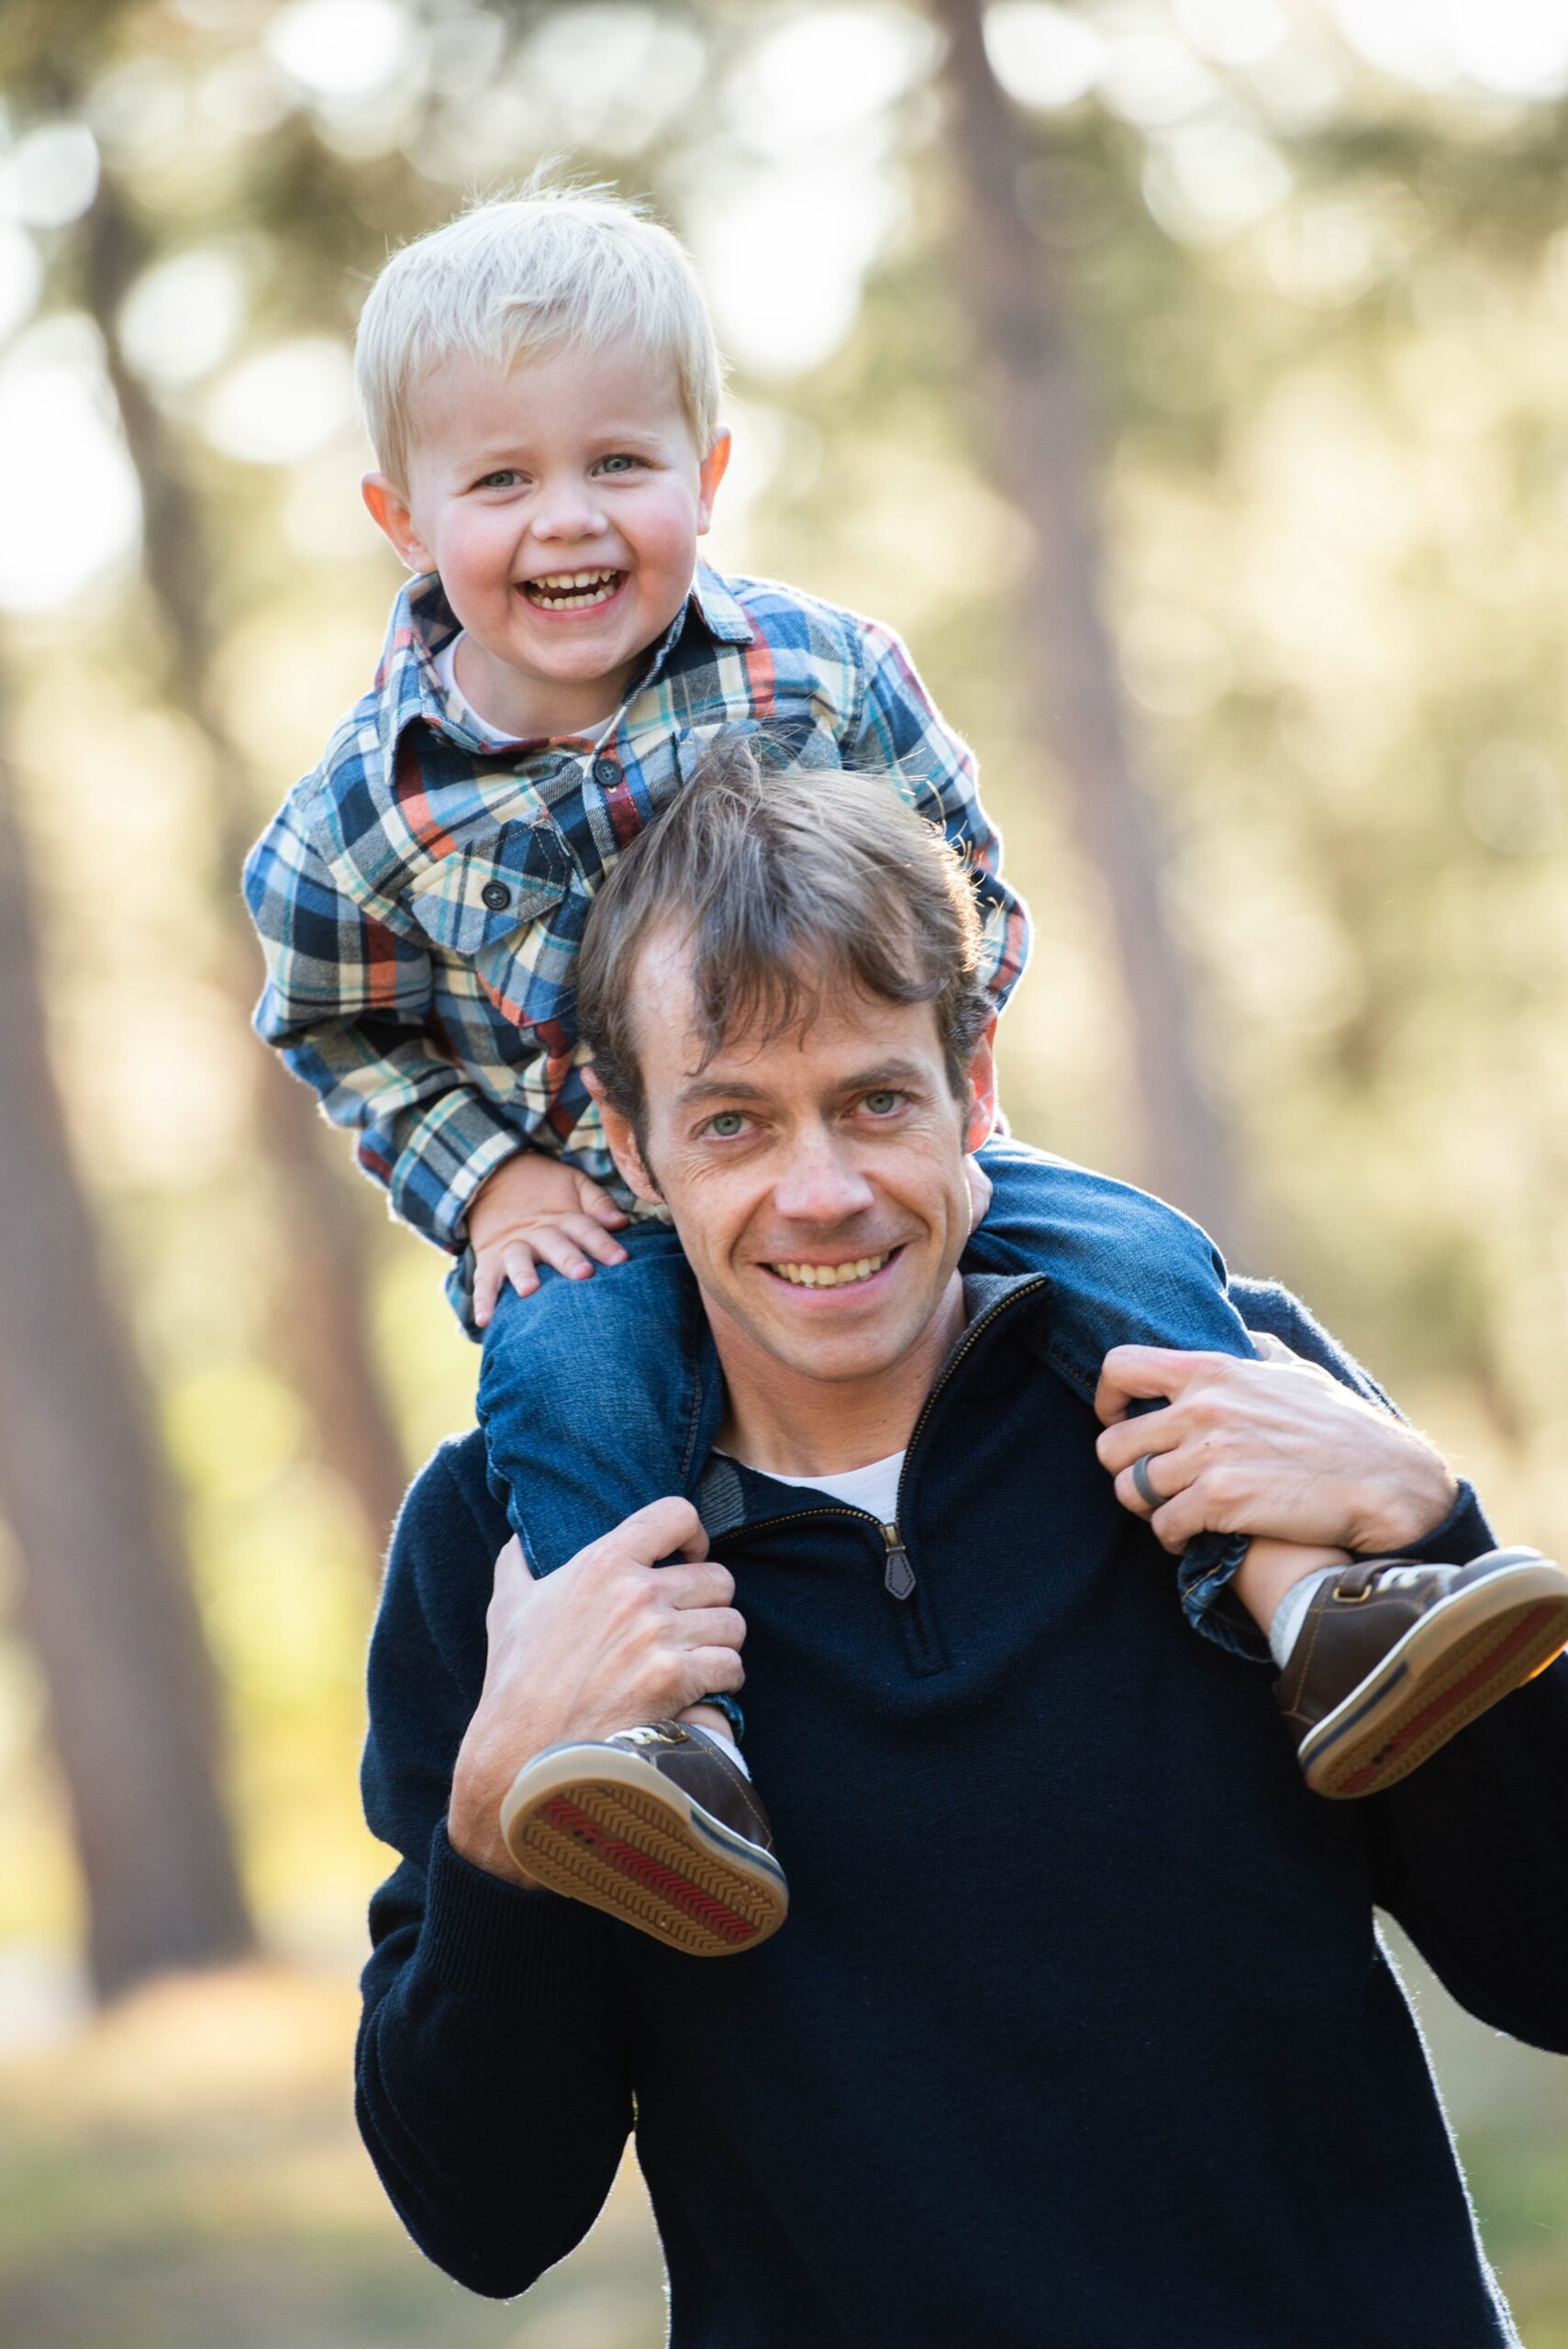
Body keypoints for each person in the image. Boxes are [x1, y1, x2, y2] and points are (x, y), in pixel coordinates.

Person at [242, 187, 1562, 1885]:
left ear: (707, 475)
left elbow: (972, 886)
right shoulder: (365, 809)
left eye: (619, 465)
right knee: (565, 1391)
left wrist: (939, 1083)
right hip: (604, 1212)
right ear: (402, 517)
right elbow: (334, 1022)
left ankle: (1305, 1602)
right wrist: (491, 1184)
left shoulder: (817, 669)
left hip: (905, 1155)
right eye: (500, 481)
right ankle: (658, 1745)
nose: (566, 520)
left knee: (1137, 1251)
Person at [356, 757, 1568, 2343]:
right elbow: (485, 2217)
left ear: (971, 1084)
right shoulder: (512, 1547)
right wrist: (494, 1821)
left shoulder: (1223, 1393)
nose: (822, 1192)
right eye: (733, 1123)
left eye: (874, 1100)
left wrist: (1434, 1523)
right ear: (630, 1151)